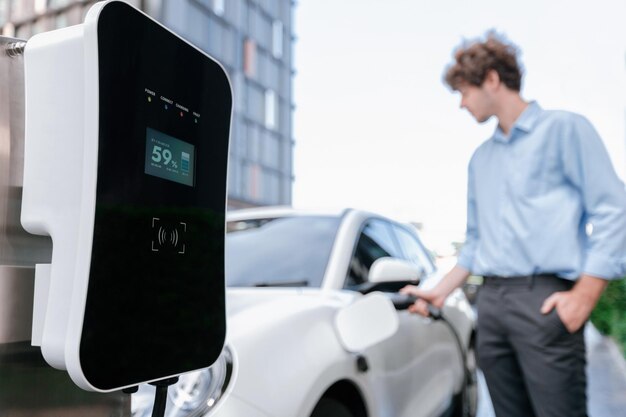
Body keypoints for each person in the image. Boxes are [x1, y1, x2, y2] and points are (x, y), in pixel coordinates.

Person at [401, 32, 626, 417]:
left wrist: (585, 295)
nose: (461, 104)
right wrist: (437, 293)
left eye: (464, 91)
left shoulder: (565, 130)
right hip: (490, 306)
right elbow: (474, 244)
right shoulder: (480, 160)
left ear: (491, 79)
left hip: (544, 303)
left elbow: (613, 209)